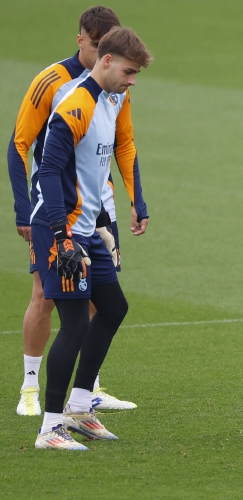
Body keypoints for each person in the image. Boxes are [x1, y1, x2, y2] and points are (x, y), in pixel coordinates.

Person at [7, 6, 147, 416]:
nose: (130, 79)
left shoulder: (116, 91)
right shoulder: (59, 87)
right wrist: (25, 211)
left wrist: (136, 200)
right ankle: (32, 391)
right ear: (85, 42)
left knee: (100, 304)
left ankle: (87, 393)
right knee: (48, 298)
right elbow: (22, 147)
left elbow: (124, 144)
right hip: (59, 212)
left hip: (96, 212)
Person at [33, 27, 153, 450]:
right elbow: (47, 170)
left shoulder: (111, 100)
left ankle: (80, 408)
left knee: (114, 307)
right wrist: (62, 236)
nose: (132, 79)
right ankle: (50, 428)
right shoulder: (75, 104)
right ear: (106, 60)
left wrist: (102, 221)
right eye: (129, 70)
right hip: (59, 231)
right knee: (74, 324)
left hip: (86, 229)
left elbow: (91, 171)